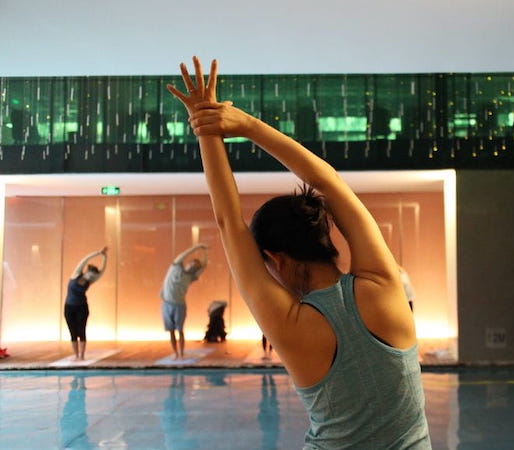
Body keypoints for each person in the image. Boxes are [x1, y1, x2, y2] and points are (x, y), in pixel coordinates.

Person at [167, 57, 431, 448]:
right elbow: (326, 180)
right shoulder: (385, 285)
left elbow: (227, 221)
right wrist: (245, 124)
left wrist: (206, 129)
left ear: (275, 259)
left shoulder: (289, 325)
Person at [160, 243, 208, 359]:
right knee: (171, 331)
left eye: (196, 266)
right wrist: (196, 248)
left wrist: (204, 252)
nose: (194, 266)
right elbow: (183, 255)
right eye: (193, 263)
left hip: (179, 306)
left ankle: (181, 353)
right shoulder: (175, 266)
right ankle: (175, 353)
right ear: (189, 263)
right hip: (167, 303)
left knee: (180, 330)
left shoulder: (190, 277)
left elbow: (204, 266)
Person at [64, 247, 108, 361]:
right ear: (87, 271)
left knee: (81, 330)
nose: (91, 277)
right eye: (90, 274)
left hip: (82, 307)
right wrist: (97, 253)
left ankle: (82, 356)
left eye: (93, 276)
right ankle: (76, 355)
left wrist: (105, 257)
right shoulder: (76, 274)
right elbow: (84, 260)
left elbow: (102, 271)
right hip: (69, 307)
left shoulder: (90, 281)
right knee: (73, 332)